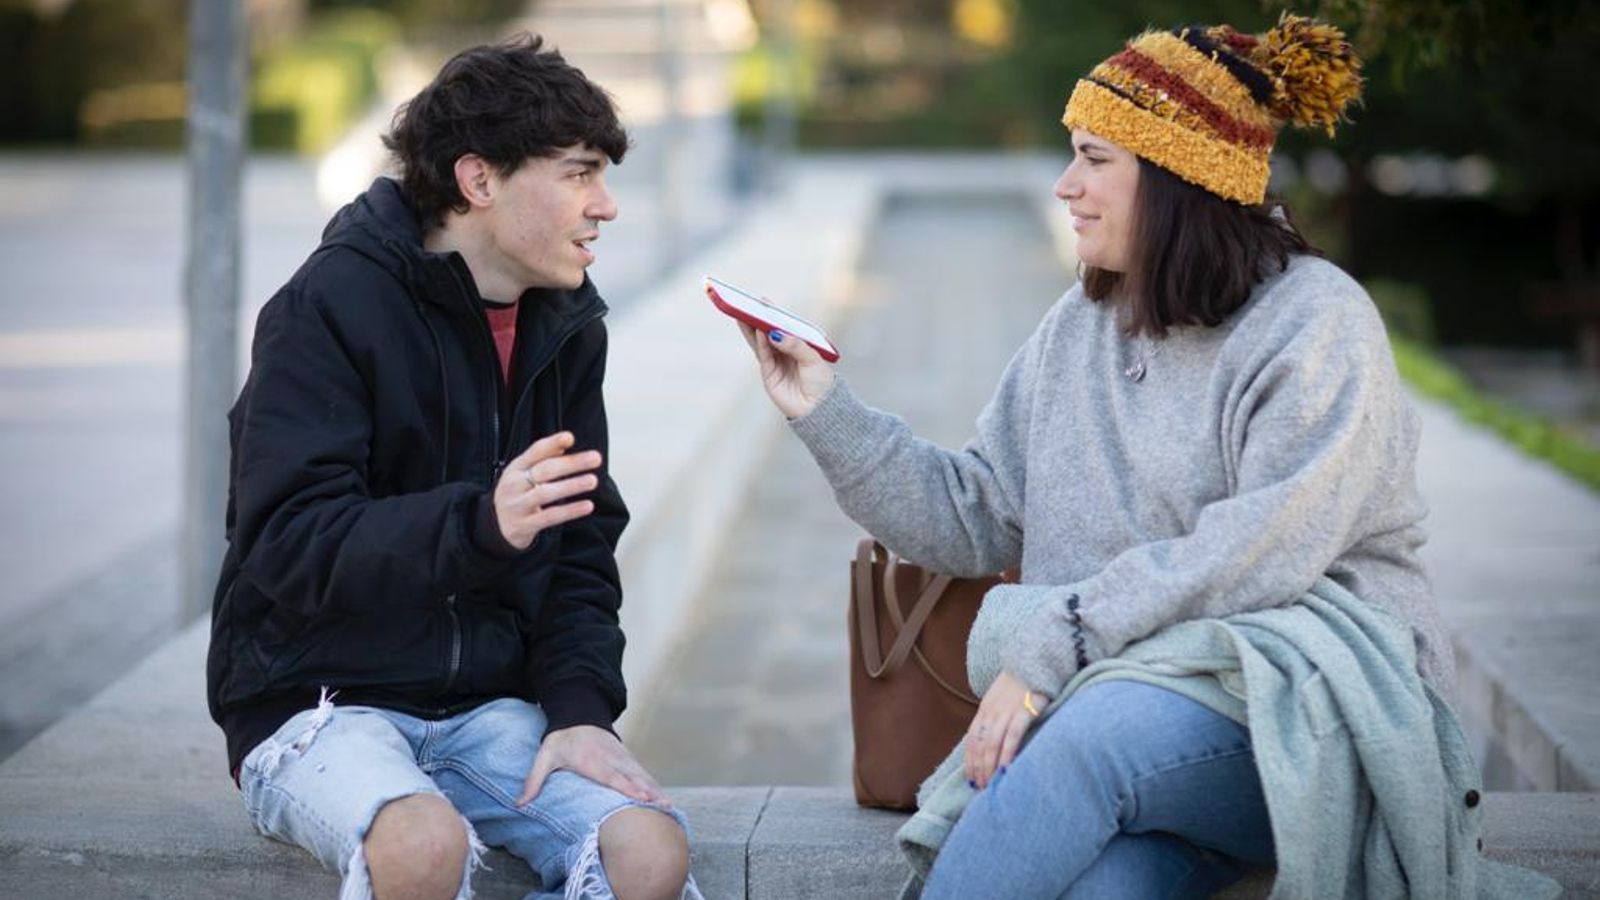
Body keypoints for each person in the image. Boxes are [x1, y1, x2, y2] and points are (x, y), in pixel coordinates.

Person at [736, 15, 1473, 899]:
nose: (1064, 185)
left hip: (1303, 702)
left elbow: (1257, 549)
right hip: (1128, 712)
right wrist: (824, 409)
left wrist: (1056, 643)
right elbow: (973, 516)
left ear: (1178, 177)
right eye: (1071, 155)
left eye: (1094, 158)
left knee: (1088, 738)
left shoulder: (1315, 324)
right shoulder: (1080, 326)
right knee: (1104, 886)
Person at [207, 35, 699, 900]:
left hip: (484, 707)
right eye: (579, 174)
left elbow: (582, 546)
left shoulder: (565, 325)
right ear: (479, 181)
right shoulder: (328, 306)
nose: (607, 206)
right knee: (423, 843)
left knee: (649, 849)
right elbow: (284, 541)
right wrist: (480, 524)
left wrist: (581, 712)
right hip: (316, 702)